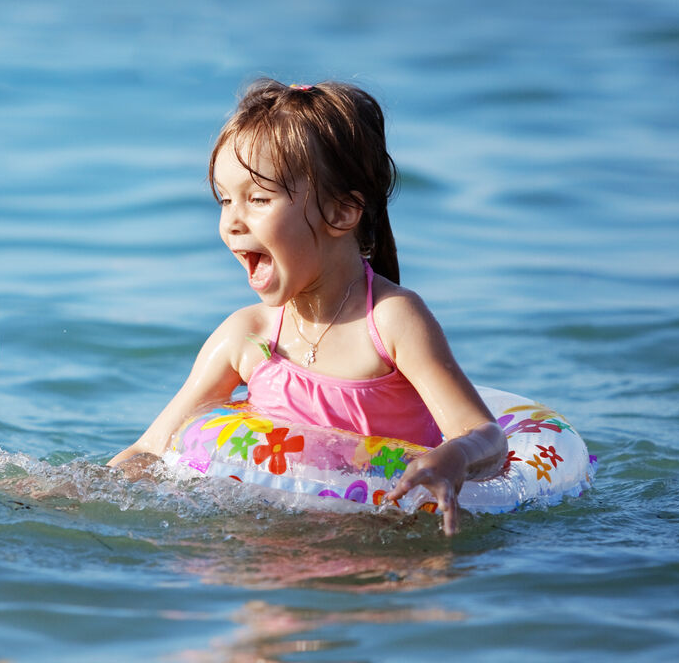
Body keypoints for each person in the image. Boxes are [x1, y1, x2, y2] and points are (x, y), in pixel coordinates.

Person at [109, 80, 504, 534]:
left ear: (341, 212)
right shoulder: (247, 336)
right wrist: (66, 495)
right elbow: (153, 447)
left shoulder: (391, 320)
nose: (232, 222)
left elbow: (487, 436)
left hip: (383, 535)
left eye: (258, 199)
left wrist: (452, 459)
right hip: (274, 541)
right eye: (224, 199)